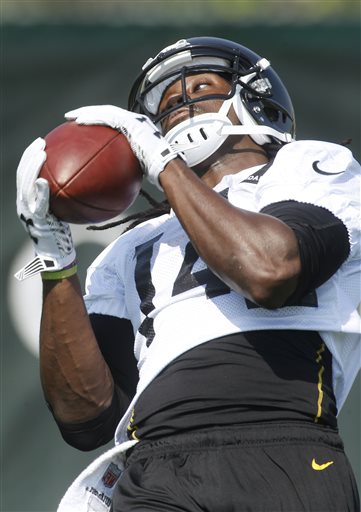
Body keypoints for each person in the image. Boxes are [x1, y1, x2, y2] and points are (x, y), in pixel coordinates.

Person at [15, 36, 360, 512]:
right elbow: (86, 419)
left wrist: (162, 163)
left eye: (201, 86)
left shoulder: (312, 169)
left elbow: (269, 272)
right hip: (154, 468)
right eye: (169, 103)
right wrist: (55, 259)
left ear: (256, 100)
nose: (182, 106)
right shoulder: (131, 246)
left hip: (280, 441)